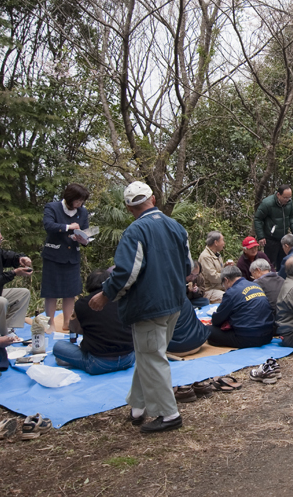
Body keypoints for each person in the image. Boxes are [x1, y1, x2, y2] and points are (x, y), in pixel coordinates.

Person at [89, 181, 191, 434]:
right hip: (174, 302)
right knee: (150, 355)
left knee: (152, 357)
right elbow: (188, 266)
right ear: (153, 199)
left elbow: (126, 273)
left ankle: (169, 415)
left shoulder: (135, 231)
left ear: (128, 207)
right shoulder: (176, 226)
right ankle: (138, 406)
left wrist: (105, 295)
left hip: (148, 306)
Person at [54, 269, 135, 375]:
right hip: (129, 359)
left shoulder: (83, 304)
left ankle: (75, 362)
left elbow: (75, 329)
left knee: (58, 346)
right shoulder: (124, 299)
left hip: (98, 363)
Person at [41, 183, 91, 334]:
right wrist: (69, 227)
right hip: (53, 255)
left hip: (72, 256)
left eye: (82, 201)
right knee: (51, 292)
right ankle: (49, 323)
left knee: (70, 292)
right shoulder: (52, 207)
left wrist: (84, 240)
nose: (79, 204)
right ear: (69, 198)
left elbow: (87, 232)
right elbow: (49, 225)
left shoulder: (82, 212)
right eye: (77, 201)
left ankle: (67, 322)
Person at [208, 266, 274, 349]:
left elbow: (217, 320)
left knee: (208, 331)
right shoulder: (255, 285)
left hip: (247, 337)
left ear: (226, 280)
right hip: (268, 335)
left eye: (223, 284)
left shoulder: (231, 292)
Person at [254, 184, 293, 270]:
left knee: (283, 263)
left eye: (289, 197)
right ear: (278, 194)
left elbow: (291, 217)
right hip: (270, 238)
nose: (287, 200)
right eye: (285, 197)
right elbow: (258, 219)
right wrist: (261, 236)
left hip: (284, 239)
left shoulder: (289, 202)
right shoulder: (267, 203)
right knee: (270, 264)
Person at [198, 231, 226, 303]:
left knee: (238, 292)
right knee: (227, 298)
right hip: (209, 290)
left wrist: (226, 266)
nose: (224, 243)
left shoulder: (216, 254)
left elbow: (219, 270)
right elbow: (213, 277)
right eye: (222, 240)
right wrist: (228, 275)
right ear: (216, 243)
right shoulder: (205, 256)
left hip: (220, 287)